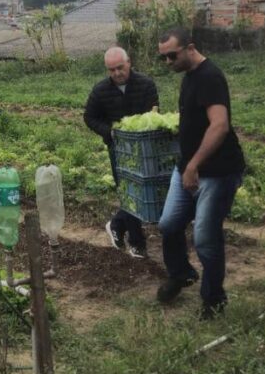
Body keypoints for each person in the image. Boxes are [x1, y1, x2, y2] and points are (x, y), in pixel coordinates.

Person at [155, 28, 245, 319]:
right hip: (187, 168)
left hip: (217, 172)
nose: (168, 62)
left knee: (205, 236)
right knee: (169, 224)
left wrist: (194, 165)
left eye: (172, 55)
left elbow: (220, 126)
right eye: (163, 58)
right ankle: (181, 274)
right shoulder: (190, 77)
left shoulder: (210, 77)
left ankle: (214, 299)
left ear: (189, 48)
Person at [84, 46, 160, 259]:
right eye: (111, 70)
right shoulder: (100, 91)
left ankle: (117, 224)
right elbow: (89, 117)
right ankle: (137, 243)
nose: (117, 73)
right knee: (129, 193)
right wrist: (109, 132)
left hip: (145, 150)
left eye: (120, 67)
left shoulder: (145, 84)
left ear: (129, 63)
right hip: (118, 150)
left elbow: (153, 114)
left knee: (142, 193)